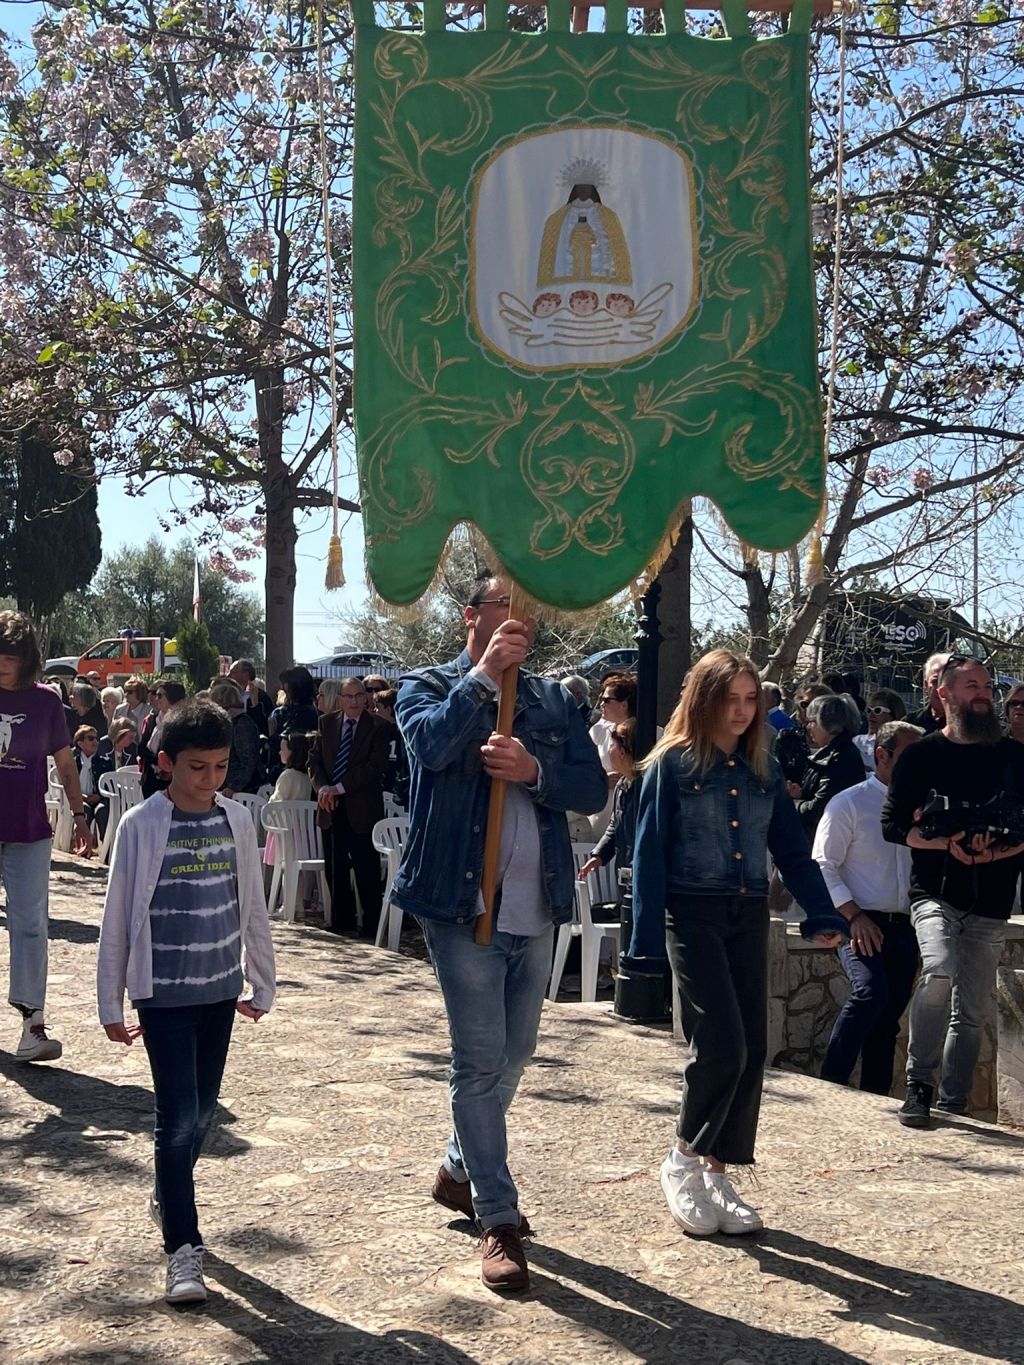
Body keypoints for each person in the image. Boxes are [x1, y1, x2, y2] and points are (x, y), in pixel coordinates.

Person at [392, 574, 606, 1292]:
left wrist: (534, 769)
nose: (519, 619)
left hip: (535, 902)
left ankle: (459, 1167)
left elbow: (592, 788)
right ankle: (499, 1216)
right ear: (471, 616)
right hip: (459, 905)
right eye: (504, 608)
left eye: (528, 610)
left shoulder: (551, 699)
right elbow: (430, 748)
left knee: (517, 1052)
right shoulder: (425, 685)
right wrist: (483, 678)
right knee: (479, 1060)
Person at [630, 650, 848, 1239]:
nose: (743, 712)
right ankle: (680, 1160)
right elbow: (647, 855)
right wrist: (644, 946)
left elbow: (792, 850)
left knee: (752, 1047)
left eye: (752, 700)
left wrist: (824, 911)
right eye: (732, 700)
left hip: (749, 912)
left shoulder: (763, 766)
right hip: (692, 912)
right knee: (720, 1042)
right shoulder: (670, 766)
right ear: (704, 700)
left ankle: (717, 1173)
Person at [96, 698, 276, 1307]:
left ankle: (168, 1192)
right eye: (198, 767)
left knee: (202, 1113)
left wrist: (263, 979)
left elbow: (252, 905)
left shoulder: (238, 822)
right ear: (167, 763)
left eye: (221, 767)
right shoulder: (141, 826)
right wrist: (111, 1003)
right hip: (164, 995)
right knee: (175, 1118)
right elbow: (117, 917)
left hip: (219, 988)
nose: (210, 780)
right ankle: (183, 1246)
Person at [882, 656, 1024, 1127]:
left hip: (992, 895)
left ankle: (953, 1101)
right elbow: (893, 825)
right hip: (934, 890)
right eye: (970, 685)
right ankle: (918, 1085)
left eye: (986, 685)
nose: (982, 693)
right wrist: (946, 843)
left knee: (975, 1007)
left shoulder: (1013, 758)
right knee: (938, 970)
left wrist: (993, 852)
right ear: (943, 694)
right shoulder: (922, 755)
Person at [814, 720, 924, 1094]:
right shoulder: (849, 802)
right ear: (882, 756)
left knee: (889, 1015)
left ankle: (876, 1098)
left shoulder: (923, 805)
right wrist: (853, 917)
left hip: (905, 923)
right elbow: (824, 864)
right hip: (859, 918)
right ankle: (832, 1081)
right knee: (869, 993)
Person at [1, 612, 93, 1061]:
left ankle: (32, 1026)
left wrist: (79, 814)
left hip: (28, 829)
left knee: (31, 926)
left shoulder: (45, 703)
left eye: (11, 655)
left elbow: (66, 764)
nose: (2, 661)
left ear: (28, 658)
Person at [309, 676, 391, 938]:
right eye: (349, 696)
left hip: (362, 807)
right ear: (341, 700)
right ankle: (341, 921)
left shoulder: (377, 726)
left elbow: (373, 767)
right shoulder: (326, 723)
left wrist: (340, 787)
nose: (355, 701)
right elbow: (314, 760)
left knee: (366, 867)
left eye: (359, 696)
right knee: (336, 867)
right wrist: (323, 787)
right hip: (330, 806)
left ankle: (371, 925)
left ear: (365, 699)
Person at [577, 718, 638, 923]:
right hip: (625, 875)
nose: (607, 749)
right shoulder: (623, 785)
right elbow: (615, 824)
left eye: (611, 744)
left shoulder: (648, 785)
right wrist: (599, 855)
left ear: (622, 750)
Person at [789, 693, 865, 838]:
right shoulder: (832, 753)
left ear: (829, 724)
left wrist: (792, 803)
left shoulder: (841, 758)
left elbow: (819, 809)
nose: (808, 727)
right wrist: (802, 794)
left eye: (813, 721)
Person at [262, 730, 313, 874]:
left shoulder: (287, 776)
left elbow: (275, 805)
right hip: (305, 835)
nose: (279, 752)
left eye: (282, 749)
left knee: (286, 875)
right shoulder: (307, 777)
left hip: (285, 835)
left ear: (292, 752)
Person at [209, 680, 264, 796]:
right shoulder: (227, 723)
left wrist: (234, 787)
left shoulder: (241, 724)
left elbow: (248, 759)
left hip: (244, 791)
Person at [139, 682, 187, 799]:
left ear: (172, 697)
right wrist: (156, 761)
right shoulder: (153, 719)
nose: (156, 699)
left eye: (160, 695)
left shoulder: (183, 723)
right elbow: (141, 748)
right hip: (150, 778)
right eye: (156, 694)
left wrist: (162, 763)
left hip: (172, 780)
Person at [73, 725, 115, 845]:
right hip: (78, 799)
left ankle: (107, 849)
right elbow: (66, 784)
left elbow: (110, 787)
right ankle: (83, 847)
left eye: (96, 739)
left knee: (103, 810)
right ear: (80, 743)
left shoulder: (105, 762)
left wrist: (99, 796)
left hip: (99, 798)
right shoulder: (73, 763)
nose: (95, 742)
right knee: (83, 810)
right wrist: (80, 796)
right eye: (90, 738)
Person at [852, 687, 907, 772]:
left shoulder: (904, 745)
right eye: (869, 710)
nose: (871, 715)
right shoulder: (857, 742)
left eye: (878, 710)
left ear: (893, 714)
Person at [375, 687, 410, 807]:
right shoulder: (406, 731)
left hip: (395, 787)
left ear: (389, 709)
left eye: (378, 707)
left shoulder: (395, 733)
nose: (375, 710)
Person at [908, 651, 950, 735]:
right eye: (935, 681)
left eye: (947, 681)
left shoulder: (971, 725)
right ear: (926, 685)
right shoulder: (910, 724)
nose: (941, 688)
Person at [228, 659, 274, 733]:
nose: (228, 675)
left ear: (245, 674)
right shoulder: (229, 694)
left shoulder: (261, 696)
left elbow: (265, 724)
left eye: (233, 672)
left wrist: (255, 704)